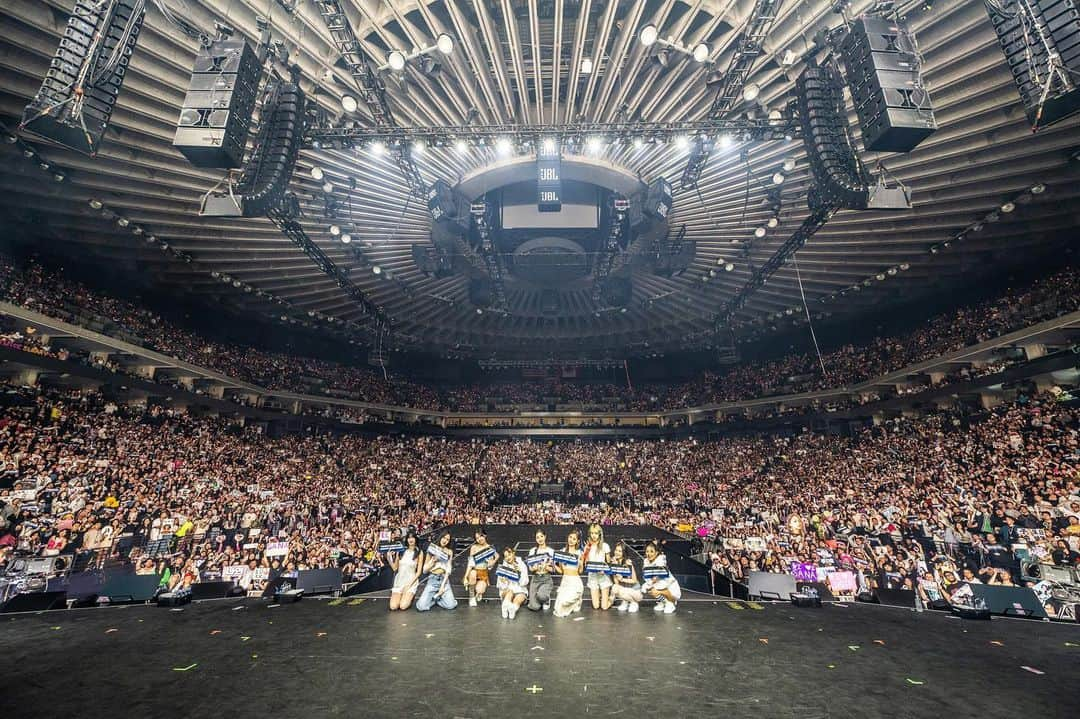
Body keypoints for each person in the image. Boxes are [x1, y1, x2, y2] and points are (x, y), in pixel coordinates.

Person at [415, 531, 457, 612]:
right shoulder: (432, 549)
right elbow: (424, 571)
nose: (445, 541)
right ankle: (434, 600)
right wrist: (432, 562)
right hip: (432, 579)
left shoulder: (449, 552)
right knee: (421, 607)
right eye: (444, 538)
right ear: (440, 537)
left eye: (447, 539)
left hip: (444, 580)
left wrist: (442, 587)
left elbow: (448, 569)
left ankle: (438, 599)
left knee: (451, 605)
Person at [552, 529, 584, 618]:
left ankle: (577, 600)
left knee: (563, 607)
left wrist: (581, 564)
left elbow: (580, 572)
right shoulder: (562, 551)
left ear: (577, 541)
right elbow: (562, 572)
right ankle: (575, 602)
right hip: (565, 582)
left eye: (574, 539)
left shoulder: (580, 553)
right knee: (557, 608)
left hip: (575, 582)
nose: (571, 540)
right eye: (570, 537)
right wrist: (554, 565)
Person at [641, 541, 681, 614]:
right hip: (657, 583)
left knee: (655, 589)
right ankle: (662, 602)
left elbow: (660, 577)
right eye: (647, 551)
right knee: (650, 589)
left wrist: (652, 582)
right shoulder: (646, 561)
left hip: (671, 587)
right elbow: (647, 576)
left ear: (656, 553)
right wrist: (648, 584)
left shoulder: (660, 561)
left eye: (651, 551)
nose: (648, 554)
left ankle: (670, 603)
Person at [388, 531, 423, 611]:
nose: (411, 540)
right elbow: (394, 568)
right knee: (393, 607)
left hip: (410, 582)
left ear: (415, 539)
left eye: (412, 537)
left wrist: (409, 585)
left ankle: (410, 595)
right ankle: (401, 595)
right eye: (409, 538)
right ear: (406, 539)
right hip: (399, 581)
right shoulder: (400, 551)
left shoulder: (419, 553)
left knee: (403, 606)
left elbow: (418, 572)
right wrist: (388, 558)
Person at [583, 523, 613, 610]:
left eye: (596, 533)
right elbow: (586, 563)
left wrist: (605, 570)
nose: (594, 535)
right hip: (592, 576)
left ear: (600, 534)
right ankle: (600, 596)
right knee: (596, 606)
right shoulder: (588, 546)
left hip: (603, 576)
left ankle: (612, 597)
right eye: (592, 533)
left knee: (604, 607)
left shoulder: (605, 546)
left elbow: (609, 563)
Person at [464, 527, 497, 607]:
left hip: (483, 574)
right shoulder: (474, 547)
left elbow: (490, 566)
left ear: (485, 535)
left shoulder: (490, 548)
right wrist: (465, 577)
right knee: (472, 573)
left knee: (480, 590)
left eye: (480, 536)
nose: (479, 539)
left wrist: (492, 563)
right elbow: (470, 563)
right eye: (477, 538)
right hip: (474, 571)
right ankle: (471, 597)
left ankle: (478, 593)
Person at [496, 546, 530, 619]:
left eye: (509, 554)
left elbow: (525, 582)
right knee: (510, 592)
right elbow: (501, 586)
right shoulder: (503, 567)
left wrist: (520, 574)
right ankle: (504, 607)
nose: (508, 557)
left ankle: (513, 609)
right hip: (507, 590)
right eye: (505, 557)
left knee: (519, 598)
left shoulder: (522, 565)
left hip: (520, 590)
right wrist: (503, 581)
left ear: (513, 553)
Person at [526, 529, 555, 611]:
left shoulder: (550, 551)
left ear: (545, 537)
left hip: (546, 578)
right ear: (535, 539)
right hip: (535, 579)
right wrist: (533, 568)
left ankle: (546, 599)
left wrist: (546, 567)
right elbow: (530, 568)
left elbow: (553, 569)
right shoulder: (532, 551)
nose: (540, 539)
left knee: (541, 596)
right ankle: (538, 598)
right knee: (534, 607)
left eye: (541, 536)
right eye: (537, 537)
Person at [608, 541, 641, 613]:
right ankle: (626, 601)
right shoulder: (614, 563)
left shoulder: (628, 563)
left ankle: (634, 603)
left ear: (623, 553)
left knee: (620, 589)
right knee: (614, 588)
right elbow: (616, 583)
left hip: (635, 591)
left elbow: (634, 580)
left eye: (620, 551)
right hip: (625, 590)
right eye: (616, 550)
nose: (617, 552)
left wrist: (622, 579)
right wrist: (615, 567)